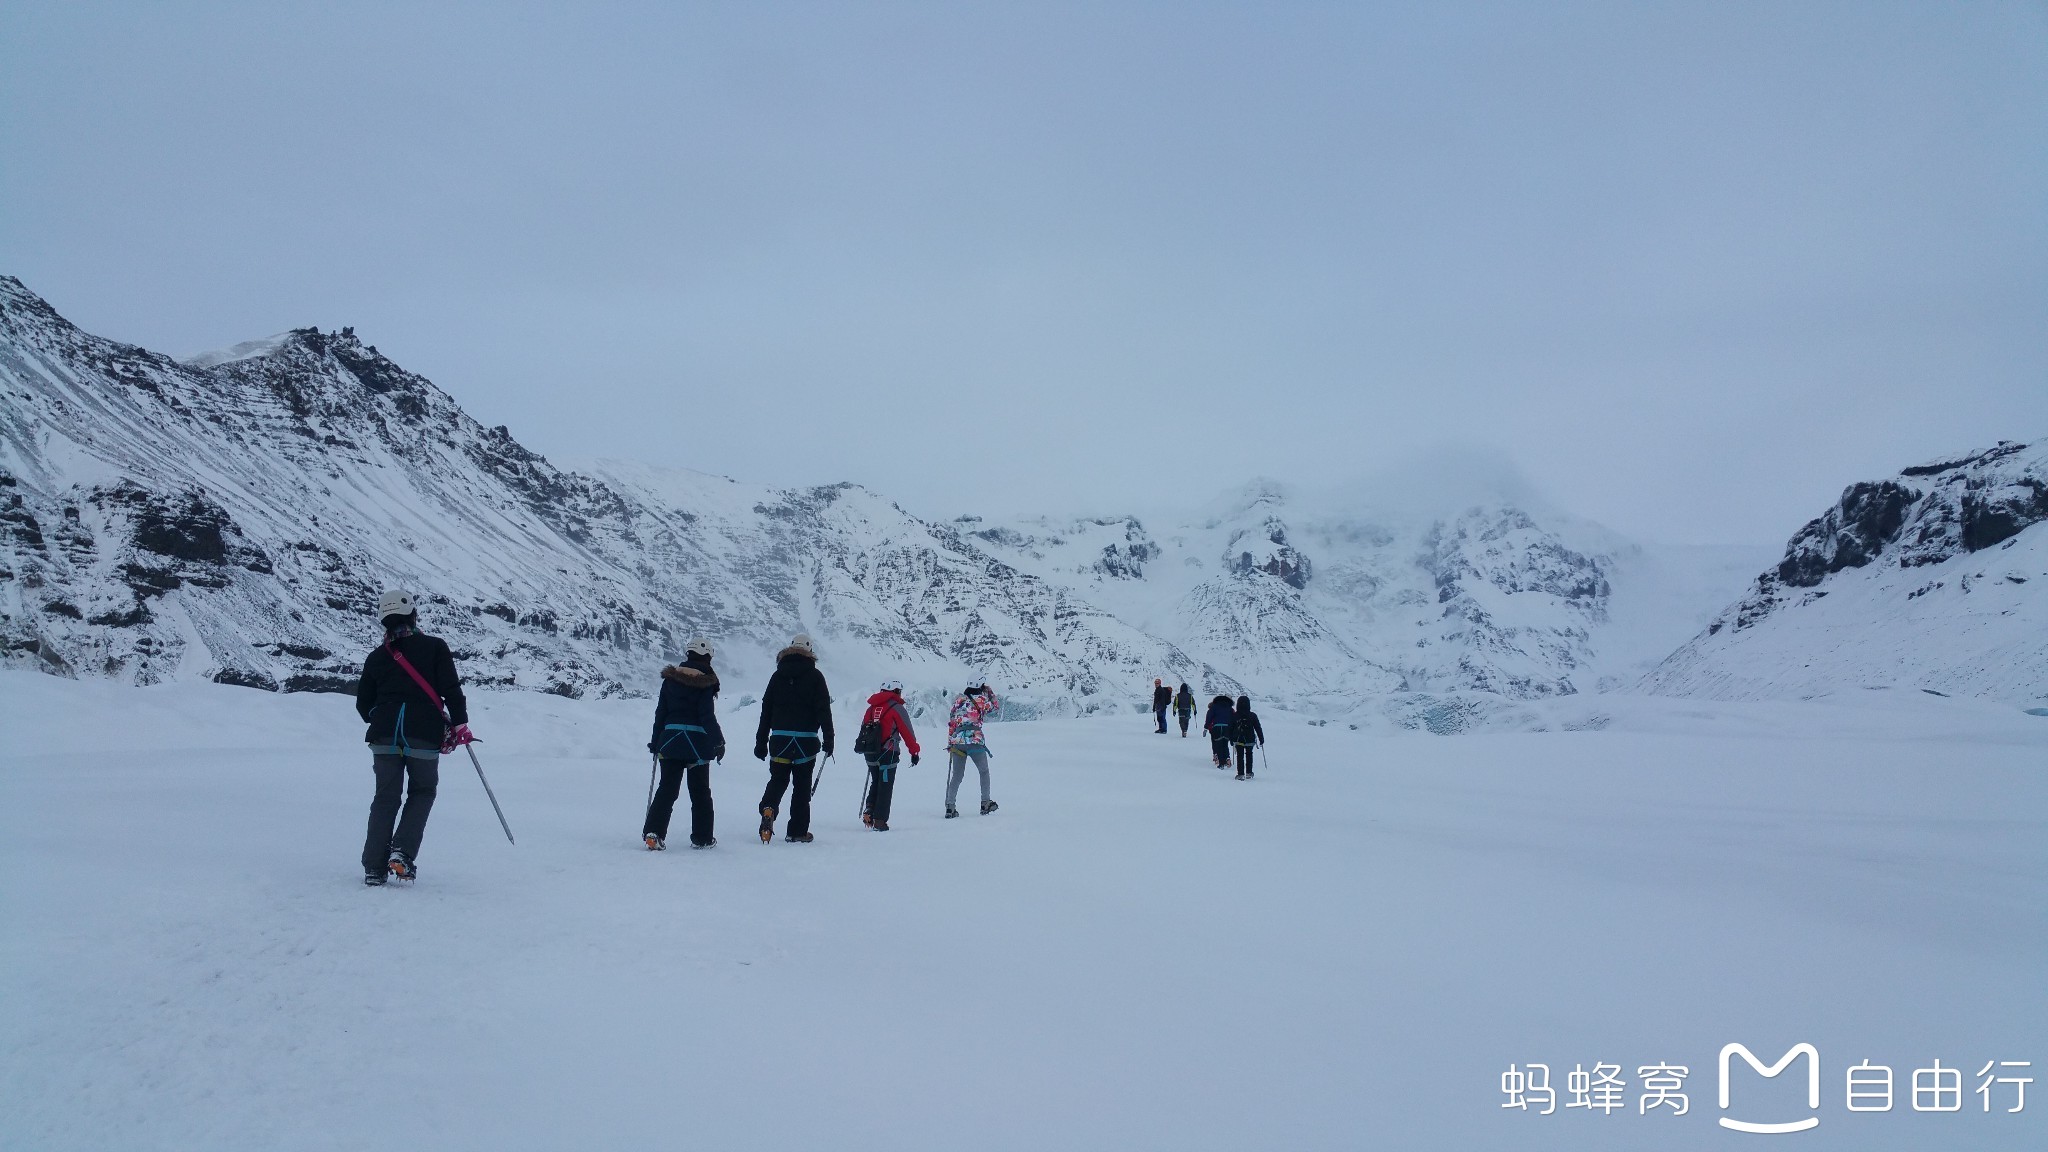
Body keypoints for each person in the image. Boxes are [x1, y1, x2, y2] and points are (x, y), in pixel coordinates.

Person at [355, 589, 470, 885]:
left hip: (383, 737)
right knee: (422, 791)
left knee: (385, 797)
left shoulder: (376, 657)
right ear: (413, 614)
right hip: (423, 734)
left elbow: (362, 704)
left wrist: (381, 718)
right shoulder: (434, 647)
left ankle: (373, 868)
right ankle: (402, 853)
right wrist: (460, 725)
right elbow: (452, 691)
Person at [644, 638, 725, 849]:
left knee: (667, 789)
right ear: (707, 656)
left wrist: (655, 742)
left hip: (669, 741)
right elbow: (706, 716)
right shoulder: (705, 683)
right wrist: (718, 742)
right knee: (700, 793)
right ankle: (702, 838)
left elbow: (660, 714)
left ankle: (654, 833)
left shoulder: (670, 680)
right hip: (697, 744)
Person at [754, 633, 834, 843]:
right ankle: (797, 832)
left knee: (778, 779)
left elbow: (766, 711)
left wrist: (761, 742)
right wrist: (829, 738)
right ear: (810, 651)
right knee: (801, 786)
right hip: (806, 742)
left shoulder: (777, 676)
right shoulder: (816, 677)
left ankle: (769, 808)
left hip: (779, 740)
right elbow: (823, 710)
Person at [858, 680, 920, 831]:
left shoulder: (870, 709)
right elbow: (907, 732)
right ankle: (880, 821)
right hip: (888, 753)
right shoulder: (896, 708)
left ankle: (869, 811)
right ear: (896, 691)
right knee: (885, 785)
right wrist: (914, 751)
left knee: (876, 782)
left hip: (870, 753)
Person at [945, 677, 1001, 817]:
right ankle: (985, 803)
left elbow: (952, 722)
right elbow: (995, 706)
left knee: (957, 775)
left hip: (957, 741)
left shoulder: (958, 701)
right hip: (975, 740)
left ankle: (950, 807)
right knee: (983, 771)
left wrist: (950, 742)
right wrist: (989, 692)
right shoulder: (982, 700)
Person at [1231, 694, 1266, 779]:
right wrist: (1261, 738)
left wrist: (1231, 739)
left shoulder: (1235, 715)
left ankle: (1240, 774)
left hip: (1238, 738)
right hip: (1250, 738)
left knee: (1240, 756)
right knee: (1249, 754)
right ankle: (1249, 773)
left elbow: (1231, 728)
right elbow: (1258, 727)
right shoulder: (1253, 715)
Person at [1202, 694, 1235, 770]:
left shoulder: (1214, 706)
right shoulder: (1230, 708)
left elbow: (1209, 717)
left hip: (1217, 727)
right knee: (1225, 744)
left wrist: (1206, 727)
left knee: (1218, 744)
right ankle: (1227, 758)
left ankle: (1221, 763)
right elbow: (1233, 719)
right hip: (1227, 727)